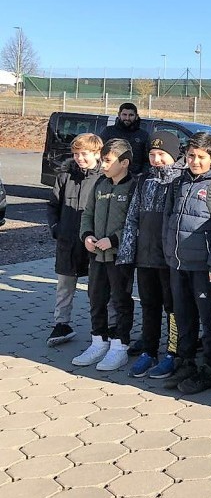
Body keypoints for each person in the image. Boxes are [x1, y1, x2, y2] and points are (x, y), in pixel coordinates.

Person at [161, 132, 211, 394]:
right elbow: (168, 219)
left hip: (206, 270)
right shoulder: (178, 183)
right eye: (191, 156)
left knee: (210, 321)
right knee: (183, 317)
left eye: (201, 157)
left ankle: (210, 369)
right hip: (178, 265)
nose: (195, 161)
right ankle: (185, 362)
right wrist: (168, 252)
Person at [117, 131, 185, 379]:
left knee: (172, 307)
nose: (156, 159)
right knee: (149, 305)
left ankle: (173, 351)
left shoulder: (180, 182)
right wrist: (127, 254)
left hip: (168, 259)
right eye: (153, 154)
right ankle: (149, 350)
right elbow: (132, 217)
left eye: (162, 154)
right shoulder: (144, 181)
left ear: (174, 156)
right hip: (145, 257)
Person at [72, 138, 137, 371]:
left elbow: (133, 221)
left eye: (108, 161)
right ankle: (99, 341)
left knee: (120, 300)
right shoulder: (100, 184)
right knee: (96, 298)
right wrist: (87, 235)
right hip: (97, 256)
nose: (102, 165)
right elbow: (87, 213)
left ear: (125, 163)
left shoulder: (133, 187)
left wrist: (115, 239)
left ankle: (120, 346)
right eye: (102, 160)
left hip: (120, 257)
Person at [46, 133, 104, 347]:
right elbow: (53, 206)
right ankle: (61, 323)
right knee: (64, 285)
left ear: (97, 153)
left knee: (96, 287)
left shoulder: (104, 177)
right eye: (76, 154)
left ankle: (100, 327)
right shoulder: (65, 176)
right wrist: (56, 228)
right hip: (67, 240)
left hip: (94, 243)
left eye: (85, 154)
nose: (80, 158)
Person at [99, 103, 149, 174]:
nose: (127, 118)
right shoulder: (108, 132)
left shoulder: (143, 135)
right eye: (124, 115)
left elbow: (147, 160)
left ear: (136, 116)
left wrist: (142, 174)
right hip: (112, 174)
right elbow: (99, 152)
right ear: (119, 115)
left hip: (134, 177)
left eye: (131, 115)